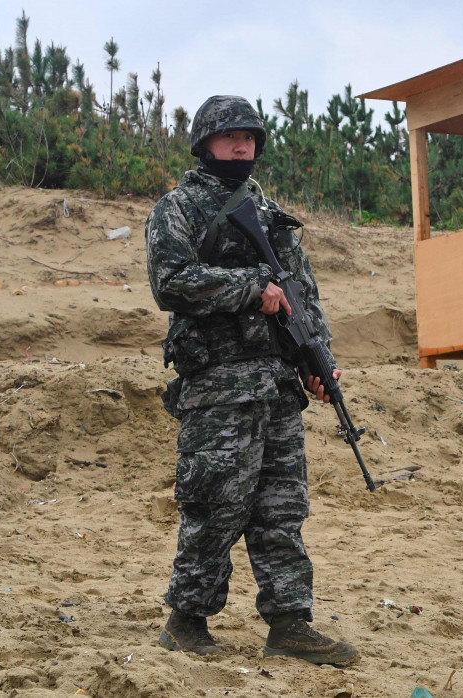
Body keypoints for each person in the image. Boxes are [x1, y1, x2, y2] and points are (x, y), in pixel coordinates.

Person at [145, 95, 358, 665]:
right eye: (230, 137)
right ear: (205, 144)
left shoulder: (271, 213)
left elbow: (300, 294)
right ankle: (185, 622)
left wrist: (318, 363)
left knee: (281, 511)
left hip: (276, 388)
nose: (241, 147)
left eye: (249, 138)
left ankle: (289, 624)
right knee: (215, 507)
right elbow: (170, 281)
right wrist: (249, 289)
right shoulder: (177, 208)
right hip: (219, 388)